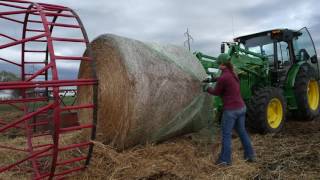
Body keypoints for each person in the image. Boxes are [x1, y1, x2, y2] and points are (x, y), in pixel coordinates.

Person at [203, 53, 256, 166]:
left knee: (226, 134)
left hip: (231, 111)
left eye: (218, 64)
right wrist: (212, 79)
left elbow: (216, 92)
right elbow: (223, 78)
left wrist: (207, 88)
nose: (218, 65)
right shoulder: (232, 73)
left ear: (222, 64)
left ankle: (225, 160)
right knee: (242, 132)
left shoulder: (224, 77)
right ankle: (250, 155)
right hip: (241, 108)